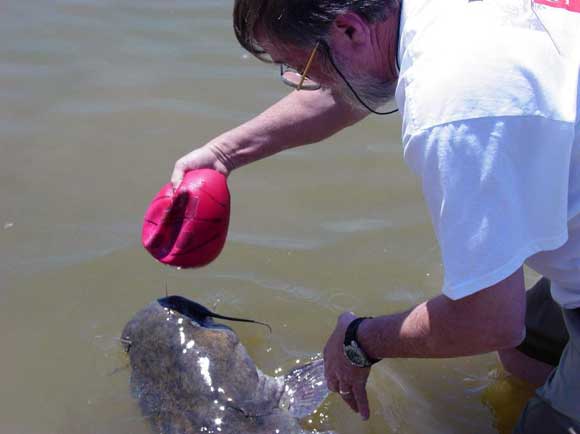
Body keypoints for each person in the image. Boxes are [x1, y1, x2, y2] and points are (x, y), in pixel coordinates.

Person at [170, 1, 580, 432]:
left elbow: (490, 320)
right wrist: (223, 155)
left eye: (300, 66)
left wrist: (359, 341)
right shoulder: (423, 17)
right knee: (528, 351)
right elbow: (349, 90)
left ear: (348, 29)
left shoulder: (454, 110)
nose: (305, 82)